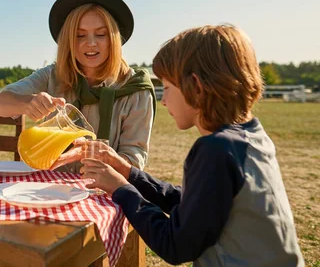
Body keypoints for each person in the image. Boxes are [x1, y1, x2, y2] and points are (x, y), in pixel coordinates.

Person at [82, 25, 304, 266]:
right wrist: (129, 173)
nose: (164, 101)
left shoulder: (216, 150)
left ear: (195, 87)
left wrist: (121, 189)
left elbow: (175, 245)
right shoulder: (250, 137)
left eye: (166, 88)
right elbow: (198, 206)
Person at [0, 0, 156, 171]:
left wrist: (87, 153)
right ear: (67, 41)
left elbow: (133, 163)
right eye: (79, 35)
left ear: (114, 39)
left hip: (104, 193)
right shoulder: (53, 74)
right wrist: (27, 102)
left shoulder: (135, 88)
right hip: (53, 188)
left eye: (101, 34)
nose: (91, 43)